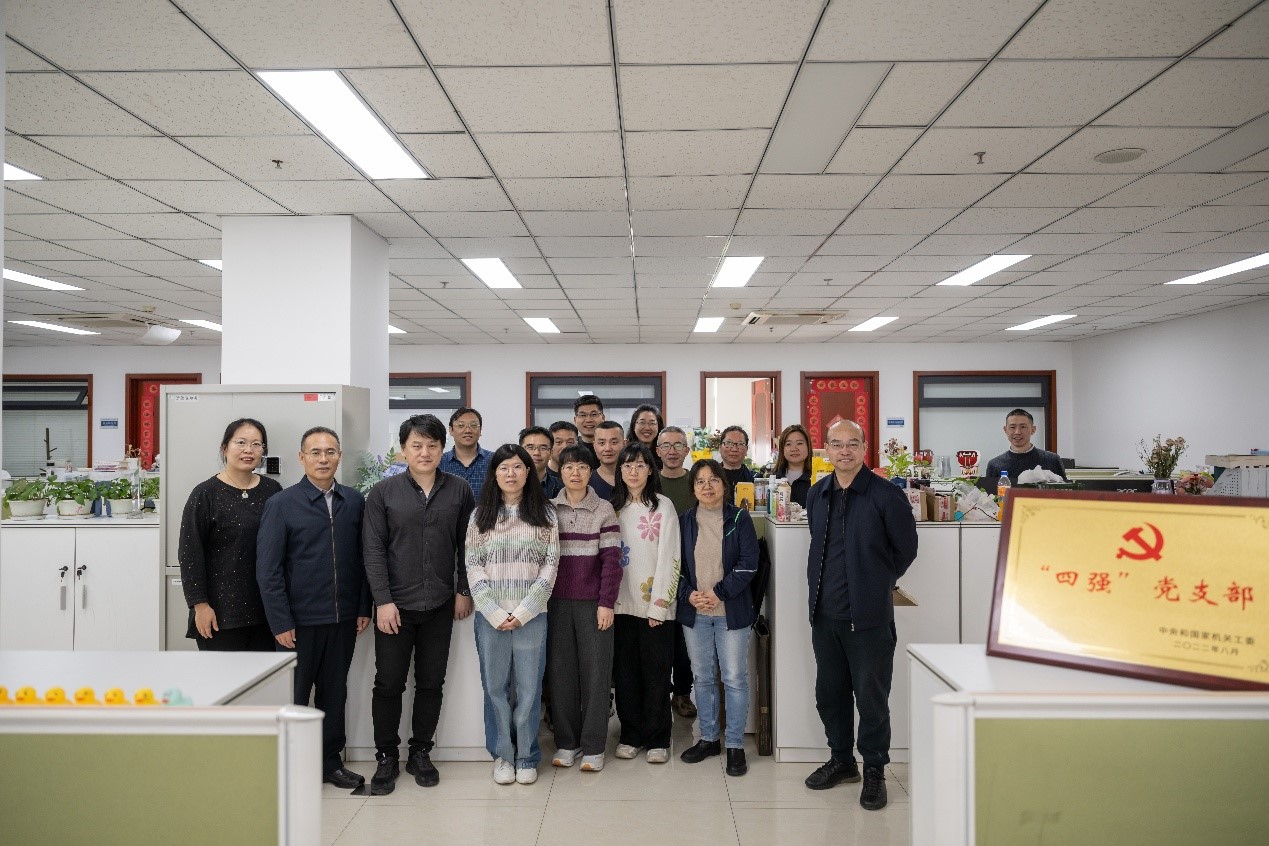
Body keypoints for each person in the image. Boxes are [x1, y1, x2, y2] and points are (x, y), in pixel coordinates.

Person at [803, 420, 918, 811]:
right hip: (824, 615)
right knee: (829, 695)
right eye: (837, 444)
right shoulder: (817, 494)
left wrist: (876, 582)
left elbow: (906, 550)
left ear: (865, 447)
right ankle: (842, 760)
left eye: (852, 443)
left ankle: (874, 770)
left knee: (871, 699)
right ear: (827, 450)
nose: (845, 451)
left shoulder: (886, 495)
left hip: (868, 618)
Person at [362, 414, 476, 795]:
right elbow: (373, 550)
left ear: (443, 449)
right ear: (403, 449)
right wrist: (383, 601)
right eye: (416, 445)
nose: (424, 452)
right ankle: (386, 756)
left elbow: (468, 545)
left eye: (432, 445)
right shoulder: (383, 493)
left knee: (431, 682)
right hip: (395, 606)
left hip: (440, 603)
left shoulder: (459, 490)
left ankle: (420, 752)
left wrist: (464, 589)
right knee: (389, 683)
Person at [257, 427, 371, 790]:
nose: (324, 459)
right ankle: (290, 766)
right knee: (293, 697)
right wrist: (280, 621)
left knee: (334, 695)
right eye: (316, 452)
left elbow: (364, 559)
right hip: (297, 623)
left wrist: (363, 606)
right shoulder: (282, 504)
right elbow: (268, 569)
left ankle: (329, 763)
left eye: (330, 451)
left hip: (342, 618)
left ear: (339, 456)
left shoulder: (354, 501)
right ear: (302, 457)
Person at [466, 444, 559, 786]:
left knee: (530, 688)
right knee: (495, 688)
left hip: (531, 616)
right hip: (490, 617)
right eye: (503, 467)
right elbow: (472, 564)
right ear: (494, 474)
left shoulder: (545, 514)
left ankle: (527, 756)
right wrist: (493, 611)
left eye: (517, 467)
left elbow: (550, 566)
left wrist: (523, 611)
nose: (510, 473)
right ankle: (503, 755)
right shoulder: (480, 516)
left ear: (528, 472)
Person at [676, 459, 759, 777]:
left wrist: (719, 593)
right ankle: (709, 739)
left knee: (734, 678)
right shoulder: (684, 521)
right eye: (700, 481)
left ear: (724, 485)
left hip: (731, 613)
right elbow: (674, 565)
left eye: (713, 480)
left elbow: (749, 563)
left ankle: (735, 745)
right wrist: (688, 594)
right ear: (693, 489)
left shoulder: (739, 518)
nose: (707, 486)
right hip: (695, 613)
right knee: (703, 677)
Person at [547, 446, 621, 772]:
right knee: (561, 674)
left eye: (581, 467)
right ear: (560, 471)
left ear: (591, 472)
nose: (575, 473)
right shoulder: (548, 510)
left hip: (593, 604)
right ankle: (567, 742)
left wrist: (606, 603)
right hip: (555, 604)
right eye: (568, 467)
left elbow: (612, 562)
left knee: (596, 675)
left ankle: (593, 746)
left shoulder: (604, 509)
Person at [179, 418, 282, 651]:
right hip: (220, 614)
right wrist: (200, 605)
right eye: (241, 442)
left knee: (266, 675)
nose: (248, 450)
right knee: (222, 674)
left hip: (266, 612)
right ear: (225, 448)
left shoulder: (272, 490)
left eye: (256, 444)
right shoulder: (205, 494)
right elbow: (190, 554)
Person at [610, 443, 681, 764]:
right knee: (625, 675)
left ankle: (658, 738)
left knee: (656, 674)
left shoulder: (663, 507)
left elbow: (671, 558)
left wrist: (660, 606)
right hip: (618, 606)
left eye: (640, 465)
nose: (633, 471)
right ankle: (630, 734)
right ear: (620, 471)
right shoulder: (612, 507)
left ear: (650, 470)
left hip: (654, 606)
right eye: (627, 466)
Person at [655, 425, 697, 720]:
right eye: (666, 446)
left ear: (687, 450)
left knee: (684, 638)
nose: (672, 451)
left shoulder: (696, 481)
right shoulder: (649, 482)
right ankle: (658, 692)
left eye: (678, 445)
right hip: (655, 568)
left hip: (690, 569)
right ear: (658, 451)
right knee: (658, 635)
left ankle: (682, 692)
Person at [983, 408, 1068, 485]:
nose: (1017, 432)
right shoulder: (995, 465)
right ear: (1005, 430)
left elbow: (1065, 491)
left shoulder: (1052, 460)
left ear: (1033, 430)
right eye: (1012, 427)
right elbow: (990, 495)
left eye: (1023, 427)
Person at [440, 407, 492, 499]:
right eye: (461, 426)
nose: (468, 430)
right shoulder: (439, 462)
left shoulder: (494, 460)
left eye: (473, 425)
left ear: (480, 430)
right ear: (451, 430)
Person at [774, 423, 814, 507]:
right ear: (782, 449)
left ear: (808, 446)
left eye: (799, 443)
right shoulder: (773, 479)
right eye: (788, 444)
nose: (794, 449)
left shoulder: (818, 479)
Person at [520, 425, 563, 499]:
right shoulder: (508, 484)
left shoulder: (562, 488)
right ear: (520, 451)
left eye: (543, 448)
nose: (536, 453)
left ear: (551, 453)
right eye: (530, 447)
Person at [588, 420, 625, 501]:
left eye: (614, 442)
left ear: (624, 444)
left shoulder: (636, 479)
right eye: (602, 443)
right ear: (594, 445)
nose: (607, 448)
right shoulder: (586, 483)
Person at [626, 404, 664, 469]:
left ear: (659, 427)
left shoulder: (664, 453)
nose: (647, 428)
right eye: (642, 423)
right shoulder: (625, 453)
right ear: (634, 426)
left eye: (652, 423)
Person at [718, 425, 755, 491]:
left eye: (740, 444)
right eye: (729, 443)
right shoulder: (711, 477)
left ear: (746, 450)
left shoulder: (755, 479)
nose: (734, 449)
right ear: (720, 448)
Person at [573, 394, 605, 464]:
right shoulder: (571, 447)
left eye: (594, 414)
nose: (588, 420)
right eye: (583, 415)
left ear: (603, 418)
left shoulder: (612, 447)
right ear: (575, 420)